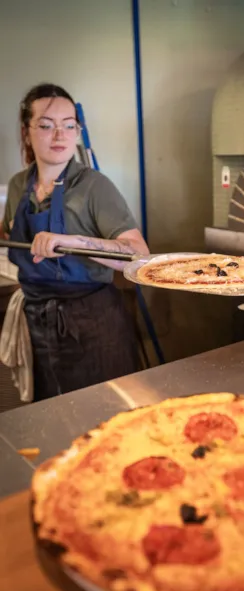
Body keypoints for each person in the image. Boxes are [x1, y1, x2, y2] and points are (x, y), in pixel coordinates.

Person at [0, 83, 149, 401]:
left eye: (69, 125)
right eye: (46, 125)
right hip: (36, 323)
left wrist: (73, 241)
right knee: (50, 419)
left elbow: (139, 255)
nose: (60, 135)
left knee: (103, 417)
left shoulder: (95, 186)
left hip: (93, 325)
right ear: (27, 132)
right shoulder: (16, 186)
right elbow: (8, 235)